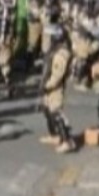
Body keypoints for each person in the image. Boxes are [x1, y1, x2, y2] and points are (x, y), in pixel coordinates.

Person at [39, 25, 75, 153]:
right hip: (49, 83)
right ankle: (55, 135)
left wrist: (48, 85)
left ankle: (67, 141)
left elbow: (58, 74)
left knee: (56, 112)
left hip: (55, 87)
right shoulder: (54, 50)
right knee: (47, 110)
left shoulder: (62, 53)